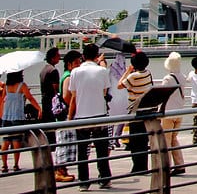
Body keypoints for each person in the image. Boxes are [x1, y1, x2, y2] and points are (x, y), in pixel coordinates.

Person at [68, 43, 113, 188]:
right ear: (96, 55)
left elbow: (73, 96)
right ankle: (104, 179)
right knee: (101, 150)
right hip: (100, 114)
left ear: (83, 56)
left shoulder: (75, 72)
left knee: (82, 152)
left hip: (82, 116)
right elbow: (104, 93)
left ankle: (84, 182)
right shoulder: (103, 71)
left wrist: (70, 117)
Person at [118, 51, 154, 175]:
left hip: (135, 111)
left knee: (134, 141)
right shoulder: (148, 73)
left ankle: (137, 167)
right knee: (143, 141)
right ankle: (143, 166)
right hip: (147, 110)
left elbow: (119, 85)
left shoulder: (132, 77)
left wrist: (127, 71)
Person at [1, 70, 41, 173]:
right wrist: (39, 108)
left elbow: (2, 100)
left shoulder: (6, 86)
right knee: (16, 141)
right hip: (17, 116)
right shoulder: (22, 85)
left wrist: (2, 114)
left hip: (6, 116)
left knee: (6, 141)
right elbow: (30, 98)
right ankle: (15, 165)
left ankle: (4, 165)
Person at [54, 50, 82, 183]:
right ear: (69, 64)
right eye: (77, 62)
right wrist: (72, 107)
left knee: (65, 142)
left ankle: (62, 170)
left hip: (65, 114)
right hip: (65, 114)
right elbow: (66, 95)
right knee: (63, 143)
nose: (79, 64)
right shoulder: (68, 77)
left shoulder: (69, 75)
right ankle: (59, 171)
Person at [160, 52, 187, 175]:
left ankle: (166, 166)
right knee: (174, 139)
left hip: (169, 112)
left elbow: (161, 95)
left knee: (166, 140)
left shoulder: (167, 79)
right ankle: (180, 164)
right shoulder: (183, 76)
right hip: (179, 111)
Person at [39, 47, 61, 138]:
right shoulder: (53, 70)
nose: (59, 57)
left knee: (46, 121)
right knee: (52, 121)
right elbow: (55, 88)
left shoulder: (43, 70)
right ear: (53, 58)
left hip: (44, 99)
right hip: (52, 100)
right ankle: (53, 141)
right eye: (58, 56)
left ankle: (47, 139)